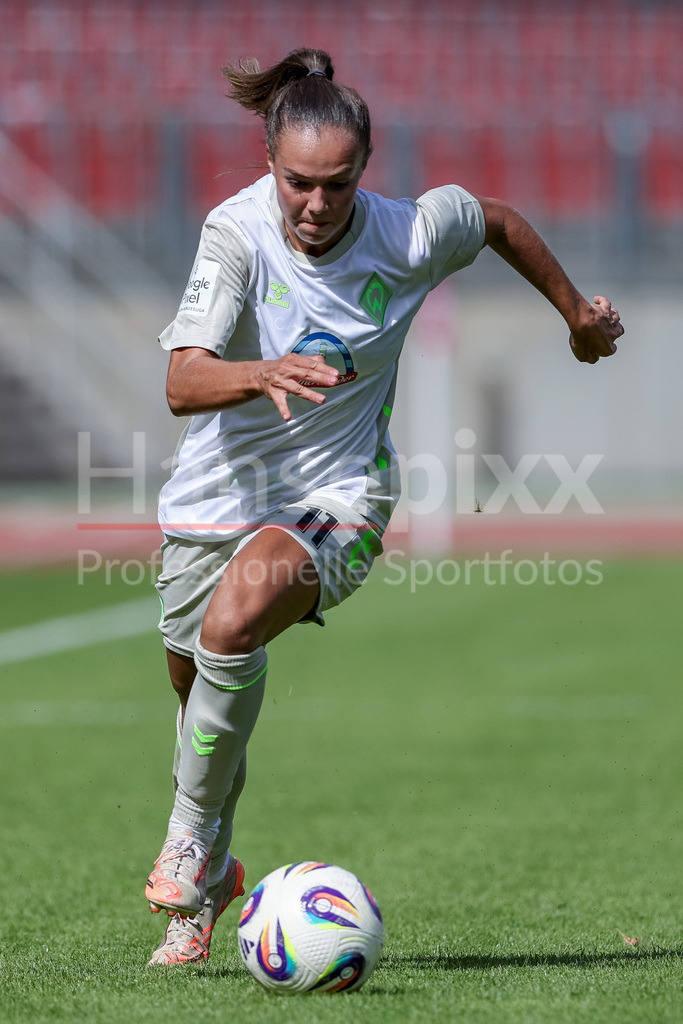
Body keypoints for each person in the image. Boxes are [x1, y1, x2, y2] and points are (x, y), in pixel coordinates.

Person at [144, 47, 624, 966]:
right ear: (269, 162)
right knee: (197, 687)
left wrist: (573, 314)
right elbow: (181, 382)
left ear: (365, 166)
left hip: (341, 493)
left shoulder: (409, 232)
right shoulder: (234, 233)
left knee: (231, 626)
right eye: (297, 183)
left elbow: (497, 221)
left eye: (337, 184)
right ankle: (210, 877)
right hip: (216, 491)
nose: (315, 205)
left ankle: (186, 840)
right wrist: (262, 371)